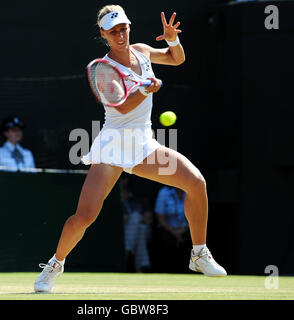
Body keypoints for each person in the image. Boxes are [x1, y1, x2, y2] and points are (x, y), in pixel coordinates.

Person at [34, 5, 226, 293]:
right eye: (113, 31)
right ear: (104, 34)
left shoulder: (142, 51)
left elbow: (177, 59)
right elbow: (122, 105)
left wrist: (173, 39)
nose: (120, 34)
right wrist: (147, 89)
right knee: (84, 217)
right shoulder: (104, 69)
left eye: (123, 28)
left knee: (196, 183)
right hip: (112, 146)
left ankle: (199, 253)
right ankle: (54, 264)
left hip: (144, 144)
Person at [153, 186, 191, 273]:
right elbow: (160, 218)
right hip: (168, 229)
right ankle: (166, 271)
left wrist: (183, 230)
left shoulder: (191, 191)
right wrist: (173, 231)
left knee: (191, 239)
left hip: (186, 229)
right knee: (165, 239)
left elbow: (196, 217)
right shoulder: (164, 192)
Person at [121, 176, 152, 272]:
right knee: (140, 228)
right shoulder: (113, 199)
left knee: (137, 219)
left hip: (133, 235)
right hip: (121, 233)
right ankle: (141, 269)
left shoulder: (139, 200)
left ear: (126, 181)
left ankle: (127, 251)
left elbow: (149, 221)